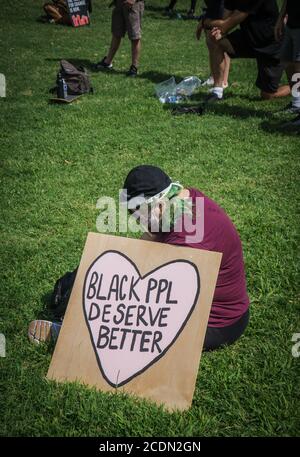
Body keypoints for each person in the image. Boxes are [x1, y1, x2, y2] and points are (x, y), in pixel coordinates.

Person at [120, 165, 250, 351]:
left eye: (138, 214)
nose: (137, 220)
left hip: (218, 323)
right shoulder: (185, 198)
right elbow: (145, 246)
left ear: (159, 204)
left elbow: (166, 299)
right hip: (213, 307)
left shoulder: (188, 238)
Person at [203, 0, 290, 103]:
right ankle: (217, 91)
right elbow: (224, 17)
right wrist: (217, 28)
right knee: (215, 41)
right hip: (248, 39)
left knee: (268, 95)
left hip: (271, 44)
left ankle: (296, 85)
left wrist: (206, 22)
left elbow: (228, 23)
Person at [96, 0, 145, 77]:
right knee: (116, 33)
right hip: (119, 3)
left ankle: (134, 67)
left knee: (134, 36)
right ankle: (107, 62)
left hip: (133, 4)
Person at [275, 0, 300, 129]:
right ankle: (297, 104)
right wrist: (281, 18)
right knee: (288, 62)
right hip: (291, 23)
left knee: (298, 66)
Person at [196, 0, 230, 89]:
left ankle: (223, 80)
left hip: (220, 7)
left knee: (219, 41)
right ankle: (215, 77)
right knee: (211, 42)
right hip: (213, 7)